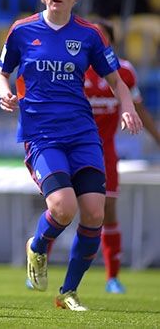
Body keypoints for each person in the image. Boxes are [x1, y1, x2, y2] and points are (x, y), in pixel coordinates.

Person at [0, 0, 143, 311]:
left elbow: (117, 82)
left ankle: (68, 293)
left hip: (82, 134)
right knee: (63, 207)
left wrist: (128, 108)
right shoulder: (21, 31)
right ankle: (38, 247)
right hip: (42, 135)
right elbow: (1, 74)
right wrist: (4, 93)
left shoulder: (90, 35)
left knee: (94, 213)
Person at [83, 20, 160, 294]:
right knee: (60, 207)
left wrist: (157, 137)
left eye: (99, 37)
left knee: (108, 212)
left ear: (110, 43)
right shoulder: (74, 68)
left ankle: (112, 278)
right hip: (73, 149)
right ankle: (39, 265)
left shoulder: (123, 72)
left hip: (105, 153)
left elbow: (138, 108)